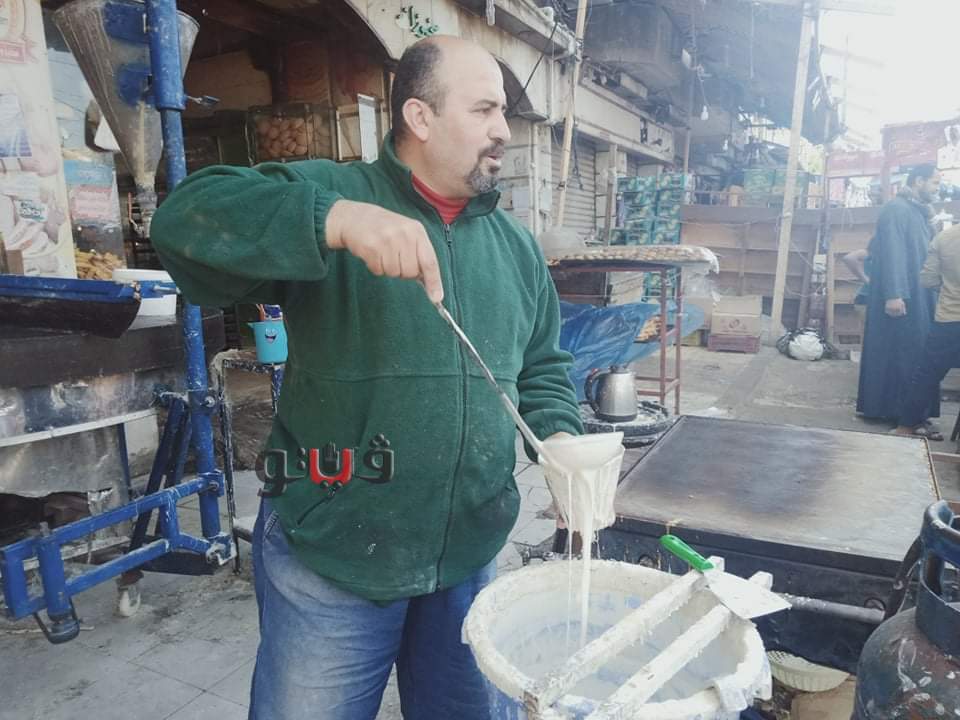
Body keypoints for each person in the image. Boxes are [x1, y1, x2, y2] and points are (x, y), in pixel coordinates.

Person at [150, 36, 583, 720]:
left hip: (467, 553)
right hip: (333, 552)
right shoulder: (338, 194)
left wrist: (559, 440)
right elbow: (182, 220)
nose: (504, 129)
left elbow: (543, 367)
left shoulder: (515, 247)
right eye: (484, 110)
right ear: (419, 117)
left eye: (503, 111)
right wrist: (332, 220)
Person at [856, 164, 942, 431]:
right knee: (906, 352)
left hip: (919, 293)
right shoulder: (896, 209)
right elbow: (891, 251)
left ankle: (905, 411)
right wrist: (894, 294)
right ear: (918, 181)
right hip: (903, 295)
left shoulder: (918, 212)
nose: (937, 189)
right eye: (935, 183)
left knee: (911, 351)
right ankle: (903, 414)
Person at [894, 223, 960, 438]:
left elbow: (928, 279)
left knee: (927, 374)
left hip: (949, 318)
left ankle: (905, 427)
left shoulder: (945, 237)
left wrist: (949, 289)